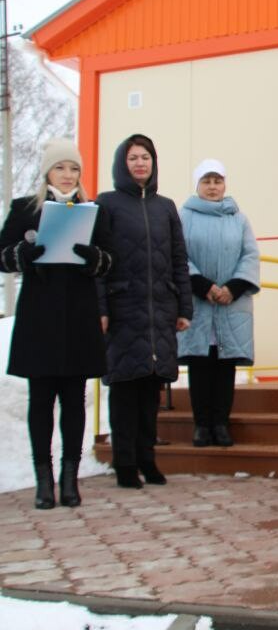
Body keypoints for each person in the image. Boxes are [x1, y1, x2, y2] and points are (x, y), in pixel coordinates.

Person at [0, 138, 112, 509]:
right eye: (60, 167)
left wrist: (94, 258)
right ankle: (43, 481)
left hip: (78, 318)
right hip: (40, 319)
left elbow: (110, 259)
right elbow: (1, 255)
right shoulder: (25, 209)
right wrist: (22, 254)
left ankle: (69, 479)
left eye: (74, 168)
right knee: (41, 401)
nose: (67, 175)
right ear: (47, 171)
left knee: (74, 401)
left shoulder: (91, 212)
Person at [96, 134, 192, 488]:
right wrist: (101, 308)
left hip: (160, 311)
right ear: (122, 164)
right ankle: (124, 463)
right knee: (124, 390)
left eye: (145, 157)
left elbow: (179, 259)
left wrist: (184, 306)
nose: (140, 163)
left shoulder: (165, 206)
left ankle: (147, 459)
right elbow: (98, 263)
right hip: (123, 309)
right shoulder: (106, 204)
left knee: (152, 391)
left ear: (154, 163)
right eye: (133, 158)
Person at [178, 159, 260, 448]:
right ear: (197, 185)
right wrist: (203, 285)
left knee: (225, 367)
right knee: (200, 365)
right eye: (206, 181)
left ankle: (221, 425)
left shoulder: (239, 219)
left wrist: (233, 288)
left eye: (217, 181)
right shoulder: (183, 216)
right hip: (198, 302)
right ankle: (202, 425)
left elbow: (250, 255)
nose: (213, 187)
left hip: (230, 304)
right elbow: (178, 255)